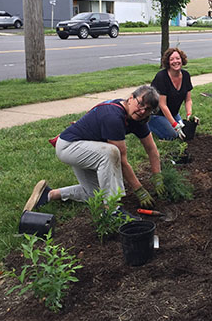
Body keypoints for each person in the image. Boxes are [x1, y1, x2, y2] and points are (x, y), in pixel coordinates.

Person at [25, 85, 164, 213]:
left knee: (96, 194)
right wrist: (139, 190)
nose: (142, 111)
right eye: (140, 104)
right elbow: (121, 160)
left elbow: (151, 150)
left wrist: (157, 176)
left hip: (88, 148)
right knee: (111, 153)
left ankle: (49, 194)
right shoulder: (114, 116)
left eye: (148, 109)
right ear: (131, 98)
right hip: (70, 146)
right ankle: (112, 210)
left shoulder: (139, 119)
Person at [149, 47, 193, 140]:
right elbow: (162, 105)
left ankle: (168, 124)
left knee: (185, 131)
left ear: (182, 60)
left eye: (178, 58)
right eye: (171, 59)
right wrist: (174, 125)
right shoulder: (162, 77)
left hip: (173, 113)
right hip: (156, 114)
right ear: (168, 62)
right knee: (173, 135)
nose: (175, 61)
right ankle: (147, 124)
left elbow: (188, 100)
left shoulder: (186, 75)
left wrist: (189, 114)